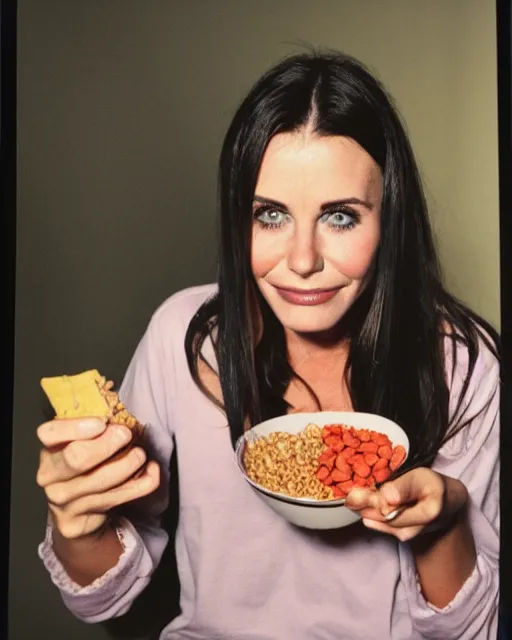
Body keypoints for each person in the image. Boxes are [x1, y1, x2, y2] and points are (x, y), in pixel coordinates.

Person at [36, 51, 499, 639]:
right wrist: (78, 523)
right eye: (271, 215)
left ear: (391, 220)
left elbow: (473, 630)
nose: (302, 262)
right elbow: (104, 600)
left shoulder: (465, 364)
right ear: (238, 219)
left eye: (340, 216)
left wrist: (442, 522)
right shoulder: (186, 337)